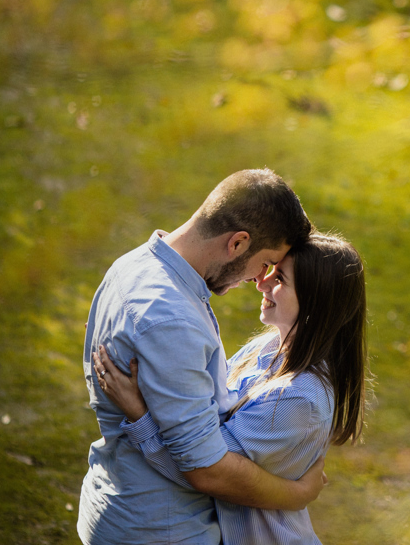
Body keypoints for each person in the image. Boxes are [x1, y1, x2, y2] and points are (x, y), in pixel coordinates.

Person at [79, 168, 327, 545]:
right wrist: (298, 494)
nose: (258, 280)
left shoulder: (134, 265)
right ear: (238, 243)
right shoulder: (172, 318)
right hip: (162, 528)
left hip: (119, 498)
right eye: (265, 263)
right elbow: (206, 469)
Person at [94, 233, 368, 545]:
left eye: (279, 278)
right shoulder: (269, 346)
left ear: (315, 303)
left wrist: (139, 414)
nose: (261, 282)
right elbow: (202, 411)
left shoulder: (297, 398)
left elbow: (202, 468)